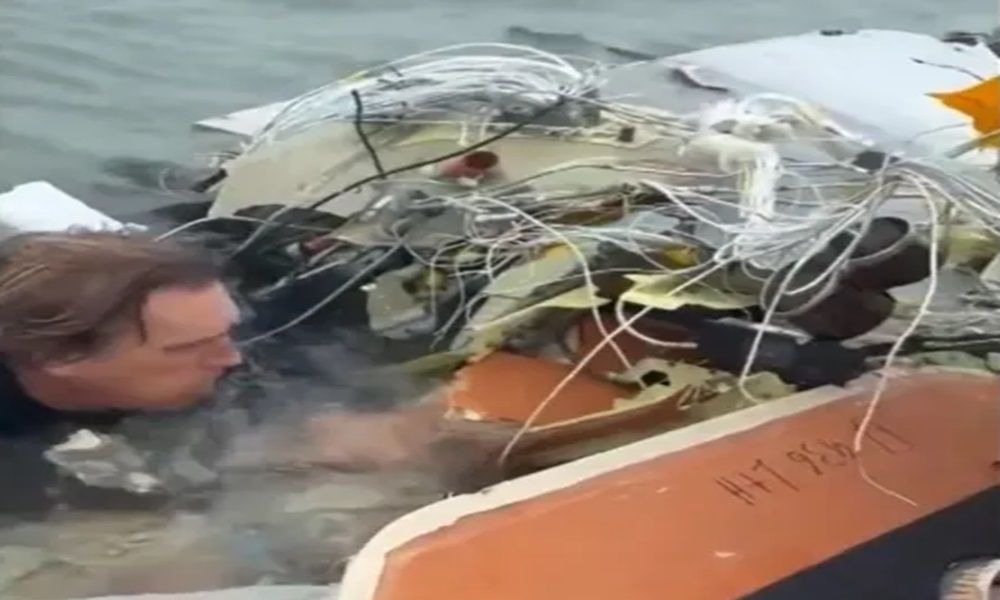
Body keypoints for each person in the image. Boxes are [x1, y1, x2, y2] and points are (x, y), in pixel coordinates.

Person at [0, 231, 497, 518]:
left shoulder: (217, 339)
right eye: (190, 349)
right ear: (60, 358)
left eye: (225, 333)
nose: (231, 358)